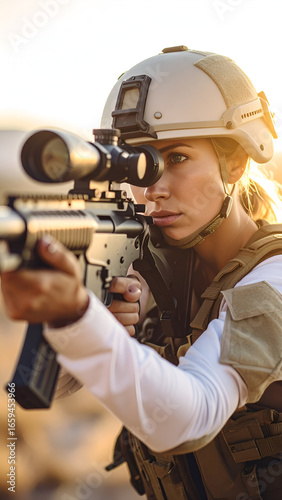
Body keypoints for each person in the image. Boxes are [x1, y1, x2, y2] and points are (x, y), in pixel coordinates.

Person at [2, 45, 282, 499]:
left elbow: (188, 419)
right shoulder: (151, 261)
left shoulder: (273, 280)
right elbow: (35, 393)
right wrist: (97, 319)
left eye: (176, 158)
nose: (153, 187)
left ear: (235, 162)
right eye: (138, 160)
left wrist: (77, 317)